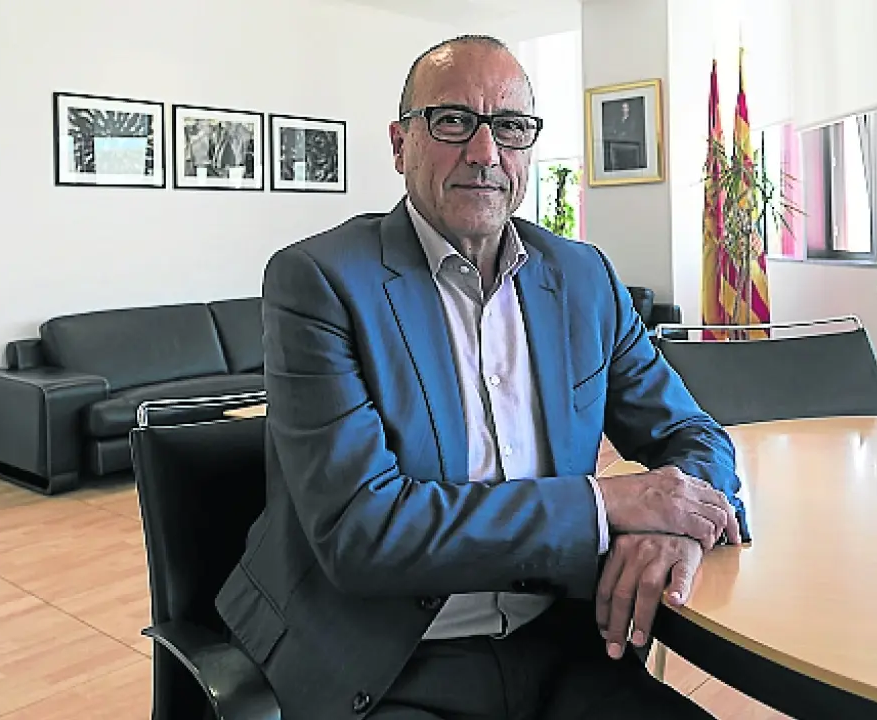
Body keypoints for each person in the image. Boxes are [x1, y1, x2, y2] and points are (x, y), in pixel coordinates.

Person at [215, 34, 751, 719]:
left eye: (511, 126)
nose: (484, 152)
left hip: (566, 643)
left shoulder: (584, 279)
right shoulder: (319, 283)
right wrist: (606, 506)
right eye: (452, 121)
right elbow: (363, 531)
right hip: (386, 664)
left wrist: (674, 524)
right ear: (400, 144)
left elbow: (693, 434)